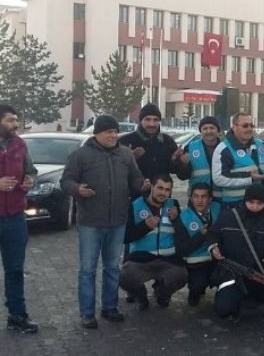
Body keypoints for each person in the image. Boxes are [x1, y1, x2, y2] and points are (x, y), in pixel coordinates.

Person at [60, 115, 146, 329]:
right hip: (90, 222)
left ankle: (110, 307)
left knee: (112, 267)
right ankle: (87, 313)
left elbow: (135, 178)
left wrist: (142, 185)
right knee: (88, 269)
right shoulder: (80, 155)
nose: (113, 135)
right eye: (109, 132)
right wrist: (77, 189)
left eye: (115, 131)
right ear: (97, 133)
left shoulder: (125, 154)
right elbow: (66, 181)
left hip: (118, 220)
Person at [207, 183, 264, 327]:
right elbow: (213, 234)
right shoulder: (228, 216)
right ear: (245, 200)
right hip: (235, 274)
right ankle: (240, 303)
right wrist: (214, 247)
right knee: (223, 310)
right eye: (251, 202)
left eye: (259, 203)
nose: (255, 206)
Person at [119, 174, 187, 310]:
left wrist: (177, 218)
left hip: (167, 260)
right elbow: (124, 237)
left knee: (181, 275)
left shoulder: (173, 205)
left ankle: (163, 294)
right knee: (124, 277)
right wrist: (145, 227)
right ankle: (141, 296)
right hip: (141, 260)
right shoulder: (135, 205)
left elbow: (182, 233)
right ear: (151, 187)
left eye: (167, 190)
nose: (163, 193)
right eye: (160, 188)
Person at [0, 105, 38, 333]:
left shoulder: (20, 145)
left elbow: (31, 171)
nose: (16, 124)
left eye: (16, 120)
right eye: (10, 120)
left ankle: (17, 315)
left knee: (14, 269)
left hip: (14, 218)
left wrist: (30, 181)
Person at [212, 112, 264, 209]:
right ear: (234, 127)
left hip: (260, 204)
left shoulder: (262, 145)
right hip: (235, 206)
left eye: (252, 125)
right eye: (245, 126)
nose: (250, 129)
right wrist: (249, 178)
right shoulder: (223, 149)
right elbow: (219, 178)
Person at [174, 183, 221, 306]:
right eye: (196, 196)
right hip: (196, 264)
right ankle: (195, 290)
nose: (199, 201)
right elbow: (181, 250)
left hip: (217, 261)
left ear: (210, 199)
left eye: (204, 196)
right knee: (197, 286)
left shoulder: (218, 209)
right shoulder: (183, 217)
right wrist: (200, 235)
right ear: (191, 198)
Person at [119, 103, 181, 181]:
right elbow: (116, 173)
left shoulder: (168, 141)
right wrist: (131, 160)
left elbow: (180, 174)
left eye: (155, 120)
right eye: (147, 119)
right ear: (141, 120)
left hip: (161, 189)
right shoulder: (126, 141)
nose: (152, 124)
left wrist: (176, 161)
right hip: (135, 189)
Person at [175, 116, 223, 198]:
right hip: (198, 199)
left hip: (221, 199)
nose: (208, 131)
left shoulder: (226, 147)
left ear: (218, 130)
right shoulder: (190, 148)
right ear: (200, 131)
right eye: (205, 128)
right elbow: (182, 176)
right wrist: (184, 165)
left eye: (212, 128)